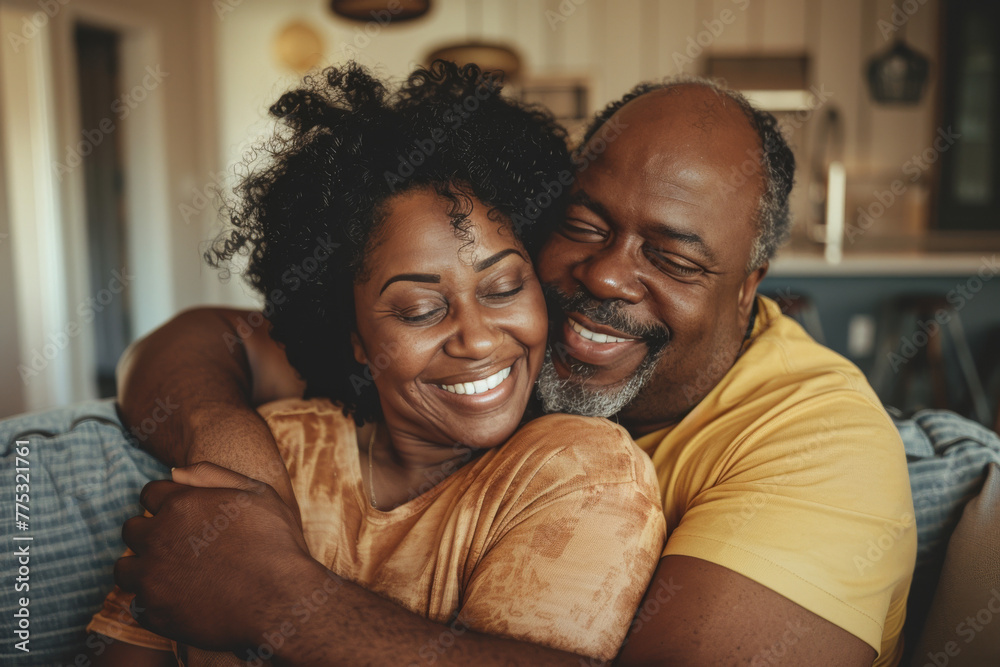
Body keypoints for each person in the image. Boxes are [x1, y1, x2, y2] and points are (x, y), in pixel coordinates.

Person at [0, 75, 915, 666]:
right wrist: (233, 453)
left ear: (752, 286)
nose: (604, 276)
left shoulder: (816, 441)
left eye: (673, 258)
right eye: (587, 225)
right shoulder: (510, 332)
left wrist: (277, 594)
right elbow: (211, 340)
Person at [85, 61, 664, 665]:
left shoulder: (579, 471)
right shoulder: (275, 446)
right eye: (418, 309)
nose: (477, 339)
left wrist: (275, 597)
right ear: (355, 338)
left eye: (503, 290)